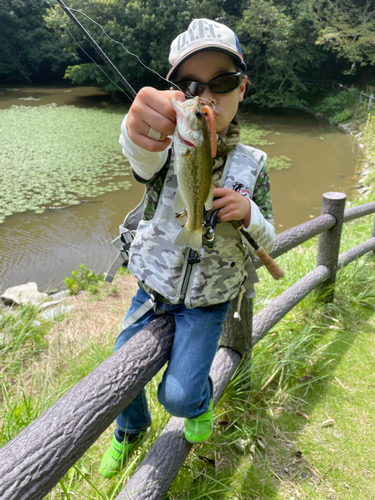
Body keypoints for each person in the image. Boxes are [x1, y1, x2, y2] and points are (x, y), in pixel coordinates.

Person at [100, 18, 276, 478]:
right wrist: (137, 129)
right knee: (118, 375)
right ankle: (129, 430)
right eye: (191, 85)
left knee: (178, 396)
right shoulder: (173, 141)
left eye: (221, 81)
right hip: (152, 290)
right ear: (176, 93)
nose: (207, 95)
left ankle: (197, 404)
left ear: (243, 87)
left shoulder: (254, 167)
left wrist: (249, 213)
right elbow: (143, 157)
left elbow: (270, 237)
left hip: (208, 302)